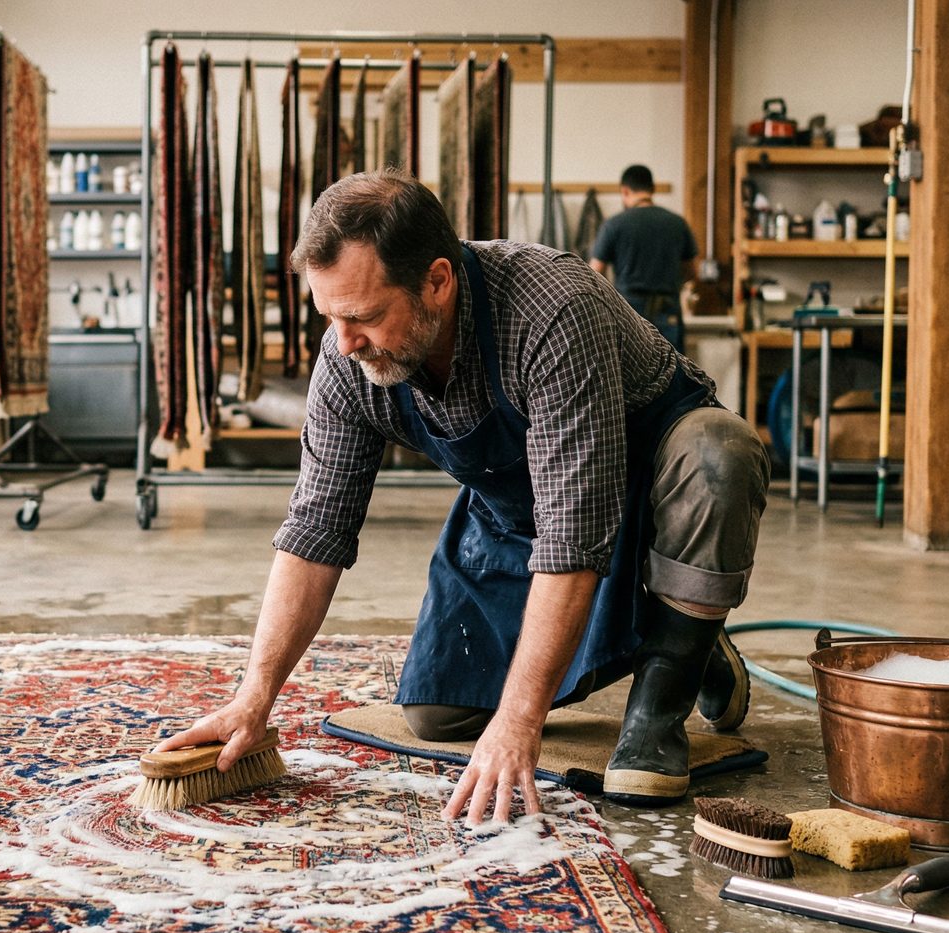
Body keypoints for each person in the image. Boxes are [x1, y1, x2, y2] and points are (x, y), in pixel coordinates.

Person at [155, 171, 769, 825]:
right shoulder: (348, 361)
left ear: (438, 282)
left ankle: (671, 673)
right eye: (329, 316)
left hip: (652, 481)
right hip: (521, 510)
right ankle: (679, 626)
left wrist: (519, 719)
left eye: (362, 315)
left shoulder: (550, 308)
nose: (342, 342)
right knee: (438, 713)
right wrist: (255, 696)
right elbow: (315, 529)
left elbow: (574, 536)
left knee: (720, 453)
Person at [588, 165, 697, 352]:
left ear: (625, 191)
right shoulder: (677, 223)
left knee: (631, 376)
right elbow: (692, 271)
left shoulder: (614, 225)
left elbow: (593, 274)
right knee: (672, 373)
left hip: (628, 311)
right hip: (668, 308)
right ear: (652, 190)